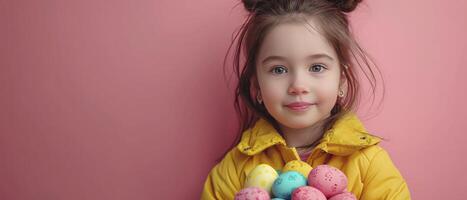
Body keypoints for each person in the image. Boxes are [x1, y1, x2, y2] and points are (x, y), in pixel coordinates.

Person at [201, 0, 411, 199]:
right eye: (278, 69)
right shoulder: (234, 169)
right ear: (257, 86)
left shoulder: (370, 166)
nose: (298, 85)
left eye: (316, 67)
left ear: (342, 81)